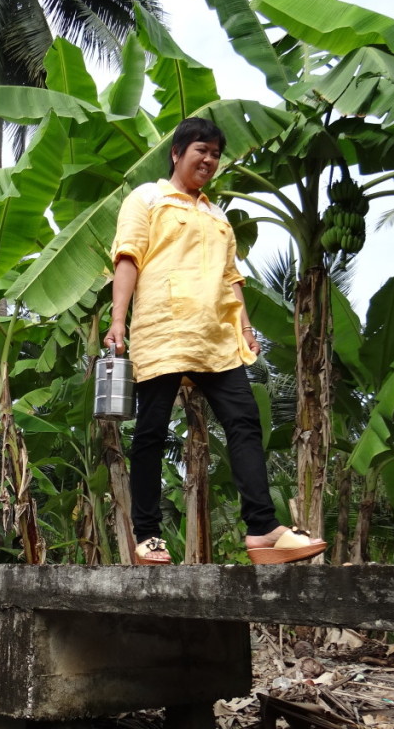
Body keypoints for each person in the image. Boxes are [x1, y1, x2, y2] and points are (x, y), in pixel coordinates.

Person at [103, 116, 326, 566]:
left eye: (216, 154)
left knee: (245, 423)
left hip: (216, 337)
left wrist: (244, 328)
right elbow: (128, 257)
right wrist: (117, 322)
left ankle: (262, 529)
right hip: (164, 329)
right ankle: (147, 536)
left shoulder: (216, 214)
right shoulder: (147, 197)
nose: (209, 160)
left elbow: (231, 278)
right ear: (177, 153)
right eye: (201, 150)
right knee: (150, 431)